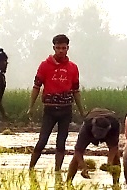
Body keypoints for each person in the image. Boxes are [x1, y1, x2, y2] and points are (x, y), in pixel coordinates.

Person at [28, 34, 86, 171]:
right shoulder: (44, 66)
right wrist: (30, 107)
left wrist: (82, 111)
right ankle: (30, 169)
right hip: (50, 110)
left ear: (67, 48)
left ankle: (57, 172)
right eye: (58, 48)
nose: (61, 50)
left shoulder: (73, 68)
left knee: (61, 143)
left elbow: (76, 91)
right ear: (54, 48)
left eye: (64, 48)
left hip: (66, 110)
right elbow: (36, 87)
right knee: (42, 141)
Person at [67, 108, 121, 183]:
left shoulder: (114, 127)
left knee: (116, 157)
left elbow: (113, 148)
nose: (98, 135)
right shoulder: (87, 126)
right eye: (97, 132)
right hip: (92, 119)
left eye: (101, 133)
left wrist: (109, 164)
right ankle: (68, 182)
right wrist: (83, 167)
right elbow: (78, 150)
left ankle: (116, 183)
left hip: (111, 122)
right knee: (76, 157)